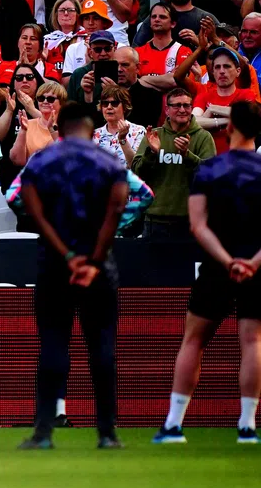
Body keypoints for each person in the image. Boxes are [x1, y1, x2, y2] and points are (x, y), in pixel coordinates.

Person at [16, 101, 130, 450]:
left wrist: (67, 256)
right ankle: (107, 433)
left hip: (54, 265)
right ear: (92, 130)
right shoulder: (110, 162)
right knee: (102, 348)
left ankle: (43, 432)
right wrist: (93, 261)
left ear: (59, 129)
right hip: (99, 266)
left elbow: (32, 212)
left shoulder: (42, 162)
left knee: (52, 345)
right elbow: (116, 211)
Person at [154, 99, 261, 445]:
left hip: (216, 266)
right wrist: (252, 263)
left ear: (229, 128)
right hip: (255, 269)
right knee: (253, 342)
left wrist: (226, 261)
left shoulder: (210, 169)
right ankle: (247, 427)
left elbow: (198, 226)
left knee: (193, 341)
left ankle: (173, 425)